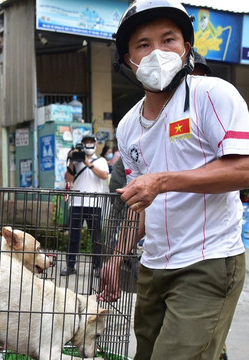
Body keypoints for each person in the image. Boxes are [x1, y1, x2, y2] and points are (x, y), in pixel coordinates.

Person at [100, 1, 249, 359]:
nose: (157, 53)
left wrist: (163, 181)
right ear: (127, 59)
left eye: (168, 40)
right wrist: (116, 256)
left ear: (186, 48)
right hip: (154, 266)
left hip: (208, 261)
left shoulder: (211, 95)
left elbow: (244, 169)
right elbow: (141, 202)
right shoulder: (128, 126)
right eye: (143, 44)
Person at [61, 133, 109, 276]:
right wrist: (71, 161)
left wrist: (88, 163)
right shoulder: (76, 160)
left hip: (94, 203)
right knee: (73, 236)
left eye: (91, 143)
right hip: (76, 203)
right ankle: (70, 266)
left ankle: (97, 267)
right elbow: (68, 179)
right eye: (85, 143)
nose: (88, 145)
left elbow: (104, 175)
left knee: (96, 237)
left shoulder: (100, 160)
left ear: (96, 145)